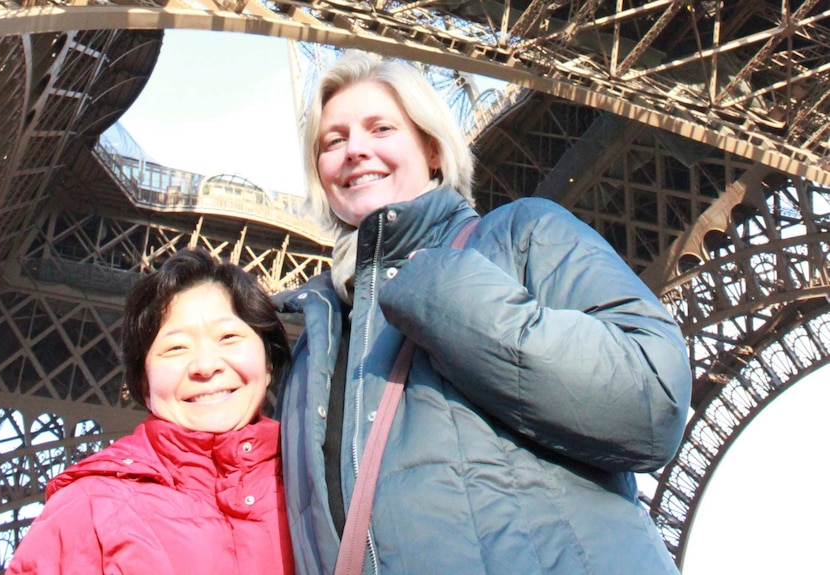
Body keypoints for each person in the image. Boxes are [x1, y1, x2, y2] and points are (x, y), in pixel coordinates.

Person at [273, 50, 693, 575]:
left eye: (380, 129)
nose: (356, 150)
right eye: (333, 141)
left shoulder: (522, 234)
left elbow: (652, 401)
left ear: (431, 148)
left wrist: (442, 292)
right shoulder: (317, 333)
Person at [6, 248, 295, 575]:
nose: (205, 366)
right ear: (143, 382)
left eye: (228, 337)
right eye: (176, 348)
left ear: (268, 362)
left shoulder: (327, 491)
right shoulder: (88, 509)